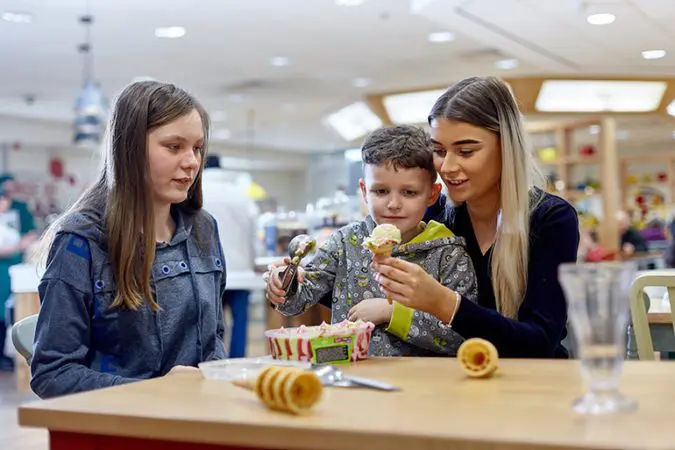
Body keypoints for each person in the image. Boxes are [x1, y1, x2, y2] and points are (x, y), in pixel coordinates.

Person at [30, 81, 227, 399]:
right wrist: (158, 392)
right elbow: (53, 375)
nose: (192, 161)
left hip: (198, 419)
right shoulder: (80, 242)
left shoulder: (205, 229)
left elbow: (214, 341)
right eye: (174, 147)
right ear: (130, 150)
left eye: (197, 148)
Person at [371, 76, 579, 359]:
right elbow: (362, 281)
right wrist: (302, 282)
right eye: (439, 151)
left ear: (505, 147)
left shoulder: (551, 219)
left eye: (466, 151)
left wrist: (444, 303)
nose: (447, 167)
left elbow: (539, 341)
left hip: (532, 386)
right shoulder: (432, 217)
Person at [265, 124, 477, 357]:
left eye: (409, 192)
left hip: (422, 383)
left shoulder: (449, 254)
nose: (393, 204)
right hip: (349, 376)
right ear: (365, 191)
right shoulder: (345, 242)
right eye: (381, 191)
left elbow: (460, 337)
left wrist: (392, 312)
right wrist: (285, 284)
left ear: (432, 194)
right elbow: (297, 302)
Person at [202, 154, 258, 358]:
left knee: (208, 325)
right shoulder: (241, 194)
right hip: (240, 271)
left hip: (207, 272)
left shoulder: (196, 192)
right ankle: (237, 364)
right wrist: (253, 262)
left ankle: (213, 364)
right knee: (240, 323)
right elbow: (254, 234)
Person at [0, 178, 37, 371]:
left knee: (7, 315)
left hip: (10, 269)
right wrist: (17, 246)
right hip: (3, 267)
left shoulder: (15, 215)